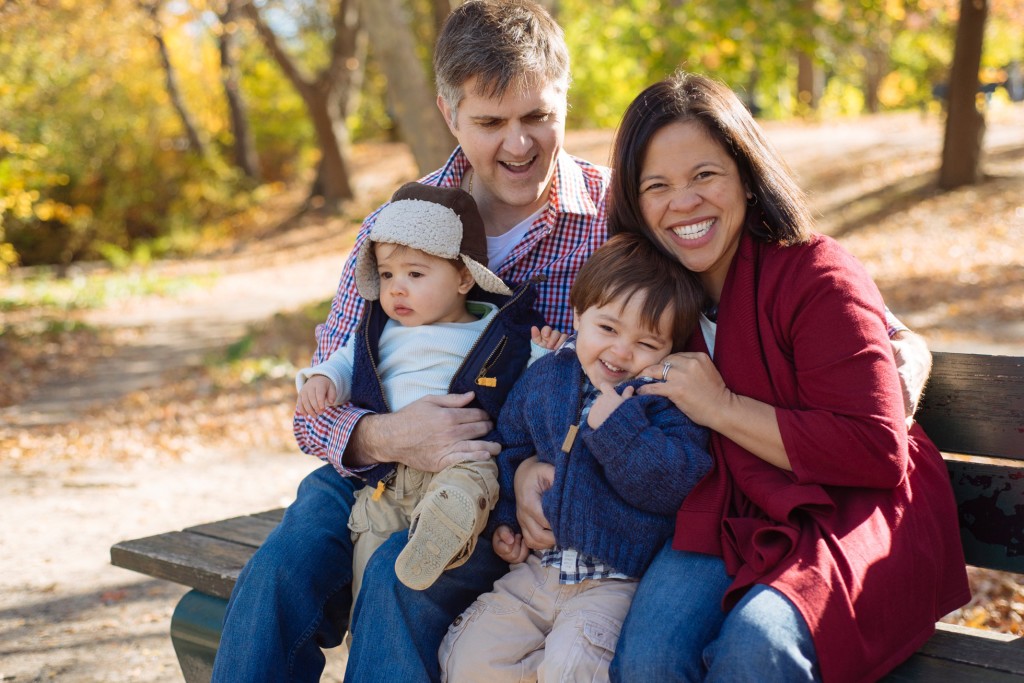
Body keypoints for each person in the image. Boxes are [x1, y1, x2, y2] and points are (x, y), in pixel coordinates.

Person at [211, 3, 933, 680]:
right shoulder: (398, 225)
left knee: (405, 571)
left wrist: (907, 347)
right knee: (278, 570)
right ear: (449, 113)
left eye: (537, 116)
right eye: (491, 120)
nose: (518, 142)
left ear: (565, 102)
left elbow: (819, 291)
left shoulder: (622, 212)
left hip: (494, 482)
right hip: (375, 460)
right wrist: (389, 435)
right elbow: (316, 407)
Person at [590, 73, 971, 682]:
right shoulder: (654, 295)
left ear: (745, 173)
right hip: (734, 506)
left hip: (855, 505)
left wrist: (720, 408)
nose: (682, 202)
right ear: (635, 204)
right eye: (656, 186)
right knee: (649, 657)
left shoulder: (815, 272)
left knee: (757, 646)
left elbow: (876, 451)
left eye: (704, 175)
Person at [438, 233, 712, 682]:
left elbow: (675, 485)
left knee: (573, 665)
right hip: (537, 571)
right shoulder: (547, 377)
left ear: (671, 349)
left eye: (647, 343)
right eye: (607, 329)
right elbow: (512, 445)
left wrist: (622, 432)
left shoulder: (663, 403)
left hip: (613, 581)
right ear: (578, 315)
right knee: (470, 659)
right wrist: (507, 517)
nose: (622, 352)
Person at [295, 181, 567, 600]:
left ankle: (445, 530)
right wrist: (322, 380)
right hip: (390, 473)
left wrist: (544, 352)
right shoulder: (378, 332)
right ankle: (375, 607)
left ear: (462, 278)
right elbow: (343, 362)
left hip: (461, 460)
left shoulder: (492, 329)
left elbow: (531, 376)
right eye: (386, 275)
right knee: (370, 557)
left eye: (415, 274)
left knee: (473, 483)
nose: (396, 288)